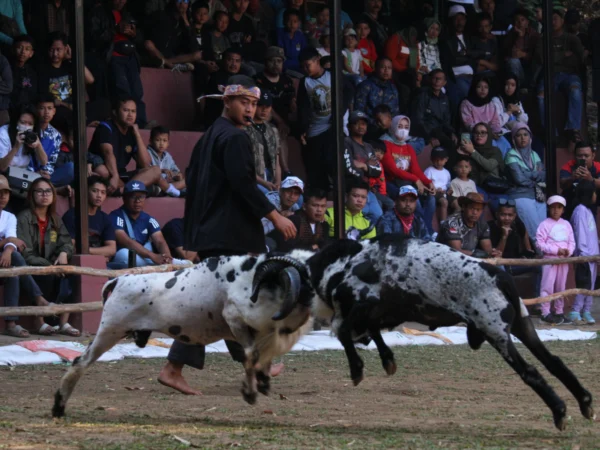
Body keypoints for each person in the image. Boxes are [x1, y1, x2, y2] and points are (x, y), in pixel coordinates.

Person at [159, 80, 296, 395]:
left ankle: (179, 367)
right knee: (232, 301)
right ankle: (179, 366)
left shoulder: (210, 135)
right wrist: (273, 214)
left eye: (253, 103)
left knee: (221, 305)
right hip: (230, 235)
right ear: (227, 102)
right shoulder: (233, 137)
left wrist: (196, 237)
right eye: (243, 102)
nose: (249, 109)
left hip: (214, 233)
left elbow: (196, 185)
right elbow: (243, 184)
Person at [16, 178, 80, 336]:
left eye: (48, 191)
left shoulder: (55, 219)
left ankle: (63, 322)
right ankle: (40, 322)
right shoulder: (24, 217)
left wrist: (64, 253)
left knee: (71, 274)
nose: (44, 195)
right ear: (32, 195)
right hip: (32, 266)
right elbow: (25, 252)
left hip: (51, 265)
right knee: (45, 276)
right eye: (40, 191)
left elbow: (66, 242)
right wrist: (49, 267)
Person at [88, 97, 180, 197]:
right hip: (107, 173)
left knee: (155, 170)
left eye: (133, 111)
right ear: (115, 112)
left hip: (121, 177)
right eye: (126, 110)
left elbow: (145, 163)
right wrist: (115, 176)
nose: (130, 115)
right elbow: (108, 153)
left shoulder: (131, 133)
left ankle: (125, 190)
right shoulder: (106, 127)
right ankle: (138, 189)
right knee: (102, 170)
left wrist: (137, 134)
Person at [0, 174, 55, 338]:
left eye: (6, 192)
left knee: (14, 270)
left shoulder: (9, 216)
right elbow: (12, 239)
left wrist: (9, 248)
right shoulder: (22, 216)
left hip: (4, 259)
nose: (2, 196)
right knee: (16, 262)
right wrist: (9, 242)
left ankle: (11, 324)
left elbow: (12, 240)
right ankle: (37, 298)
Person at [534, 9, 585, 146]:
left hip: (570, 75)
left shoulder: (572, 39)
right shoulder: (543, 39)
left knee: (575, 91)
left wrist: (555, 57)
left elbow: (579, 60)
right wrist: (564, 55)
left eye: (555, 18)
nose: (553, 21)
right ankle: (551, 132)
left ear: (562, 21)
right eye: (550, 18)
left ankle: (573, 129)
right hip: (550, 75)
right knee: (540, 97)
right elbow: (543, 59)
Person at [380, 115, 435, 234]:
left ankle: (427, 228)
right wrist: (416, 180)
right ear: (393, 127)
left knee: (431, 197)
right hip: (392, 182)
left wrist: (428, 182)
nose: (403, 130)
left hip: (407, 182)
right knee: (416, 202)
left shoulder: (408, 147)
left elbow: (416, 169)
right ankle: (424, 233)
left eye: (406, 127)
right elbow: (393, 169)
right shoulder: (385, 144)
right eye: (399, 126)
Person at [108, 180, 175, 268]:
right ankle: (151, 267)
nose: (137, 201)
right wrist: (153, 256)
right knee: (126, 254)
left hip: (145, 257)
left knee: (183, 263)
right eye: (133, 197)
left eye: (141, 197)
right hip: (125, 256)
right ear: (124, 199)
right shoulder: (116, 216)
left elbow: (160, 241)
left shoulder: (149, 219)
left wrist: (166, 258)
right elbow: (126, 241)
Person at [297, 47, 333, 192]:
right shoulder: (304, 82)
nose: (306, 69)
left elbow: (347, 93)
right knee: (315, 162)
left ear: (317, 60)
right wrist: (303, 128)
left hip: (333, 124)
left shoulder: (332, 75)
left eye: (308, 65)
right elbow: (303, 107)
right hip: (316, 126)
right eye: (303, 66)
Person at [488, 198, 541, 297]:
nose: (507, 218)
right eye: (503, 214)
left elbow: (525, 236)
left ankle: (537, 299)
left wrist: (527, 254)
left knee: (539, 266)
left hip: (515, 262)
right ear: (496, 215)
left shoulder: (517, 224)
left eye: (510, 215)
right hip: (501, 265)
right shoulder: (490, 227)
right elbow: (496, 256)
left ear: (514, 216)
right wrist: (504, 236)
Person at [536, 195, 575, 325]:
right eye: (553, 207)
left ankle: (559, 311)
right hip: (550, 260)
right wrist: (555, 251)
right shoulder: (544, 224)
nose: (556, 210)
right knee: (547, 286)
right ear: (549, 208)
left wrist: (569, 251)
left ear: (563, 210)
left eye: (559, 207)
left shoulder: (567, 224)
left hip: (563, 261)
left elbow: (572, 242)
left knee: (561, 287)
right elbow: (539, 244)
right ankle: (545, 312)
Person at [504, 123, 546, 239]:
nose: (523, 138)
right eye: (518, 135)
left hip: (537, 195)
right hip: (520, 195)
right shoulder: (510, 155)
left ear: (530, 137)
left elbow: (543, 175)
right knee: (535, 229)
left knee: (544, 227)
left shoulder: (534, 154)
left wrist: (527, 174)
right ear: (513, 139)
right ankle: (541, 254)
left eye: (525, 134)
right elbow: (519, 179)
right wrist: (534, 175)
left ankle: (545, 254)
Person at [344, 110, 387, 223]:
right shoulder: (346, 142)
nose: (361, 126)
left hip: (368, 191)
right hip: (352, 191)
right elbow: (348, 169)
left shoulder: (369, 147)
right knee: (359, 217)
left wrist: (363, 166)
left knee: (378, 216)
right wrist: (368, 169)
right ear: (349, 126)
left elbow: (377, 171)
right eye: (356, 123)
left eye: (363, 123)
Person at [62, 176, 116, 264]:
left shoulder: (105, 218)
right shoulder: (71, 215)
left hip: (100, 263)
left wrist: (91, 253)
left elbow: (111, 249)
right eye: (94, 191)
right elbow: (70, 247)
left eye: (103, 192)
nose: (99, 196)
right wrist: (99, 255)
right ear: (86, 192)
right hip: (77, 263)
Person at [459, 74, 511, 156]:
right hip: (476, 134)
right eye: (479, 87)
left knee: (506, 145)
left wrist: (496, 132)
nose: (483, 90)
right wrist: (489, 133)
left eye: (486, 87)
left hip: (491, 134)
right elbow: (469, 124)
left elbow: (495, 121)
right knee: (493, 145)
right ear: (474, 88)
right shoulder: (466, 103)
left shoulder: (490, 104)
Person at [437, 192, 501, 258]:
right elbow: (456, 252)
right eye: (472, 208)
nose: (475, 212)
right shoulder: (452, 222)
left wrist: (493, 253)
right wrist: (477, 254)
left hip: (469, 259)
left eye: (478, 209)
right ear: (464, 207)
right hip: (446, 259)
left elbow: (488, 250)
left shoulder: (482, 224)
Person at [568, 181, 597, 325]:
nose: (595, 195)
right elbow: (580, 235)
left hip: (593, 256)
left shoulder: (588, 210)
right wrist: (584, 254)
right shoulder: (579, 211)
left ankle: (586, 310)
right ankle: (575, 311)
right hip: (584, 255)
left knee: (590, 285)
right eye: (594, 192)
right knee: (583, 284)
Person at [143, 0, 202, 71]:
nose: (182, 4)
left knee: (198, 54)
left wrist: (186, 23)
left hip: (173, 57)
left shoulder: (187, 24)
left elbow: (194, 48)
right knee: (148, 44)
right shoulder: (161, 15)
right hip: (157, 52)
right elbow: (146, 31)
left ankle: (166, 63)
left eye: (185, 1)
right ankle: (171, 65)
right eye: (179, 0)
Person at [253, 46, 296, 141]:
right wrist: (280, 121)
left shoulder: (287, 80)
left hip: (285, 118)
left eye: (279, 61)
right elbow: (262, 106)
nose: (275, 64)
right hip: (267, 117)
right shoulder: (258, 80)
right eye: (272, 61)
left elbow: (292, 100)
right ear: (265, 62)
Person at [440, 5, 476, 112]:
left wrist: (467, 55)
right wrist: (468, 56)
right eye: (457, 19)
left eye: (462, 19)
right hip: (457, 77)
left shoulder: (469, 38)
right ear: (451, 20)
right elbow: (451, 59)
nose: (460, 22)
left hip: (472, 76)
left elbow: (477, 55)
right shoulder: (446, 39)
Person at [410, 69, 457, 152]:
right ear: (430, 79)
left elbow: (446, 121)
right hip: (426, 131)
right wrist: (428, 138)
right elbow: (418, 120)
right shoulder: (422, 95)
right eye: (435, 78)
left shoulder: (445, 99)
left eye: (440, 79)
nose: (437, 81)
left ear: (444, 82)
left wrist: (451, 133)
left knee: (456, 142)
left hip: (439, 131)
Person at [271, 187, 329, 252]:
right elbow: (288, 248)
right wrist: (311, 248)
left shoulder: (324, 225)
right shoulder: (294, 221)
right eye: (315, 205)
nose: (319, 210)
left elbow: (324, 247)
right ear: (304, 206)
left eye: (323, 206)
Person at [34, 94, 73, 187]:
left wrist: (46, 172)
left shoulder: (56, 135)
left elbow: (52, 160)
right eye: (42, 108)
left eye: (50, 108)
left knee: (71, 168)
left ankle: (46, 185)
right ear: (36, 110)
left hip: (45, 175)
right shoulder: (30, 128)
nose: (46, 112)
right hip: (28, 172)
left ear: (54, 111)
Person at [246, 90, 281, 193]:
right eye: (260, 105)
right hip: (253, 179)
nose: (264, 109)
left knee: (298, 199)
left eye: (268, 106)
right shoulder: (244, 129)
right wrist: (264, 183)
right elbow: (244, 166)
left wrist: (278, 182)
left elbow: (277, 160)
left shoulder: (273, 130)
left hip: (271, 177)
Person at [457, 122, 505, 195]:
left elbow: (489, 166)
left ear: (488, 135)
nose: (479, 135)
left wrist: (473, 152)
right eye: (476, 133)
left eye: (483, 133)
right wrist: (460, 155)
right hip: (473, 186)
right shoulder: (467, 150)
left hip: (492, 187)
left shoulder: (494, 150)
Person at [201, 47, 242, 127]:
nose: (233, 64)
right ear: (223, 60)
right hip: (216, 121)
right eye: (230, 60)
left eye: (237, 61)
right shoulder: (216, 77)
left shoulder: (243, 79)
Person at [0, 106, 47, 173]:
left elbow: (44, 162)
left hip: (21, 174)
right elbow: (2, 167)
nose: (26, 126)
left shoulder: (33, 134)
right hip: (4, 173)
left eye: (30, 124)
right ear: (16, 122)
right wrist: (16, 147)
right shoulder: (3, 133)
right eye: (22, 122)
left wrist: (38, 145)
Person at [354, 58, 400, 124]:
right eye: (383, 67)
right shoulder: (365, 86)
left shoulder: (393, 88)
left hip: (388, 126)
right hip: (370, 126)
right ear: (376, 68)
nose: (386, 70)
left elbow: (395, 112)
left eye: (389, 68)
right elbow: (359, 112)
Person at [504, 8, 539, 86]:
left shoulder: (534, 35)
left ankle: (531, 86)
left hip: (531, 68)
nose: (520, 23)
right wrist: (520, 36)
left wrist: (524, 55)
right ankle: (517, 86)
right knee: (513, 61)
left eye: (522, 20)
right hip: (517, 68)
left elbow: (537, 55)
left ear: (527, 22)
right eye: (517, 20)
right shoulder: (511, 34)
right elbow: (513, 54)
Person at [559, 142, 600, 208]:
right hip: (571, 203)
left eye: (586, 156)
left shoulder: (598, 166)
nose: (583, 158)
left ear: (593, 156)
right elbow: (562, 185)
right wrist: (572, 178)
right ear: (574, 156)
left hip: (591, 204)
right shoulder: (569, 166)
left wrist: (591, 179)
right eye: (579, 156)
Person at [147, 126, 186, 193]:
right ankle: (165, 190)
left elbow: (176, 171)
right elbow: (146, 171)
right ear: (151, 141)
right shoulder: (147, 153)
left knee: (185, 182)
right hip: (152, 184)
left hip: (166, 185)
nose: (161, 143)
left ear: (168, 143)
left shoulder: (168, 156)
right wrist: (162, 171)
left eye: (164, 141)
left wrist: (177, 176)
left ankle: (163, 190)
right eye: (157, 140)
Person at [9, 35, 36, 115]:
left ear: (31, 53)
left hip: (28, 112)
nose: (23, 51)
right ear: (13, 50)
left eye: (27, 49)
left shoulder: (32, 72)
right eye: (20, 47)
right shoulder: (7, 69)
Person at [424, 146, 452, 223]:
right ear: (432, 159)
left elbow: (448, 184)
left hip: (444, 193)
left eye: (441, 160)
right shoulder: (429, 170)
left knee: (455, 202)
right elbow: (425, 184)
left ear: (446, 159)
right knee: (444, 202)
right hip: (433, 193)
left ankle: (453, 222)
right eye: (436, 160)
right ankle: (443, 223)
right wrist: (436, 189)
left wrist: (449, 189)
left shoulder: (447, 172)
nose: (439, 162)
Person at [277, 8, 307, 73]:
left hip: (298, 66)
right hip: (285, 65)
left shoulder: (300, 36)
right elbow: (280, 52)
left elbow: (304, 52)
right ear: (284, 22)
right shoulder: (280, 34)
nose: (292, 24)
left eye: (295, 21)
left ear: (299, 23)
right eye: (289, 21)